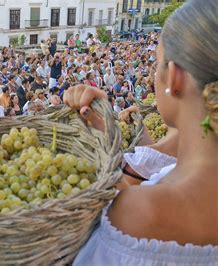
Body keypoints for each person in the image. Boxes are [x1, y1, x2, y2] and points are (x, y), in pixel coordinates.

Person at [71, 2, 218, 264]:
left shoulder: (142, 212)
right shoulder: (166, 177)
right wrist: (104, 132)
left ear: (174, 77)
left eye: (157, 62)